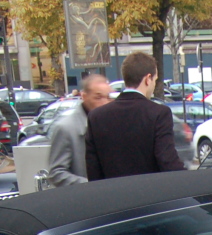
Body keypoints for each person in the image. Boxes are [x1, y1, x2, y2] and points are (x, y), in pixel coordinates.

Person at [85, 52, 184, 180]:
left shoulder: (96, 116)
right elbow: (167, 161)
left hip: (111, 197)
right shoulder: (159, 113)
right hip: (150, 196)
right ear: (148, 79)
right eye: (155, 79)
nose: (154, 85)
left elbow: (93, 170)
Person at [47, 74, 112, 186]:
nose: (105, 102)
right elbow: (56, 173)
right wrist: (90, 186)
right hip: (85, 198)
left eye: (108, 97)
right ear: (84, 96)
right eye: (98, 97)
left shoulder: (111, 124)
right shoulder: (65, 128)